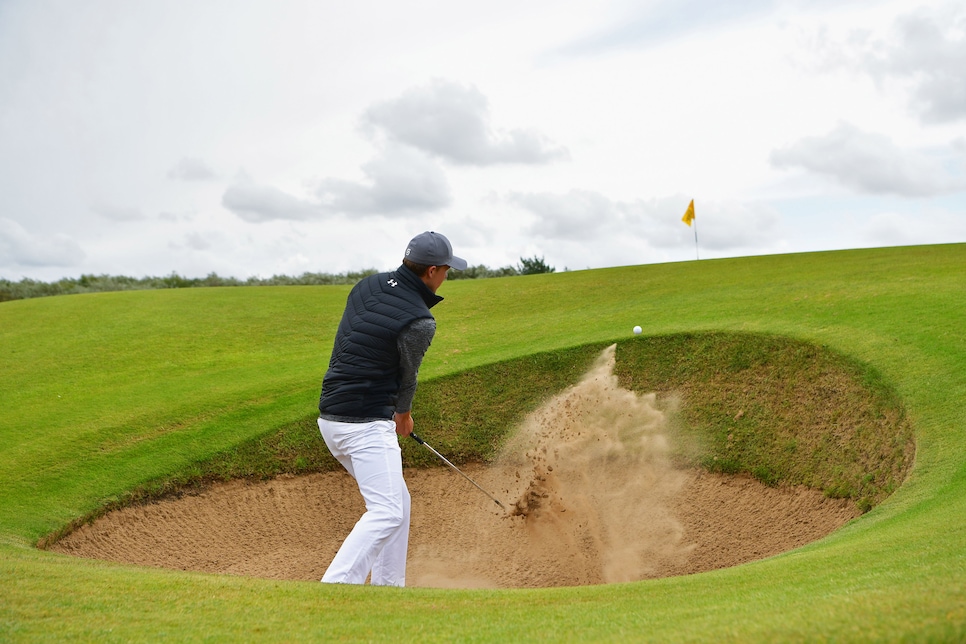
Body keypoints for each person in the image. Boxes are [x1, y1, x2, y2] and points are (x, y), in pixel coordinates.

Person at [317, 231, 466, 586]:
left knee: (399, 502)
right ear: (431, 271)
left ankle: (388, 589)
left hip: (331, 417)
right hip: (365, 423)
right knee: (386, 511)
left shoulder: (366, 286)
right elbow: (407, 375)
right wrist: (403, 415)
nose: (447, 276)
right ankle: (335, 588)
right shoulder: (420, 321)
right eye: (446, 270)